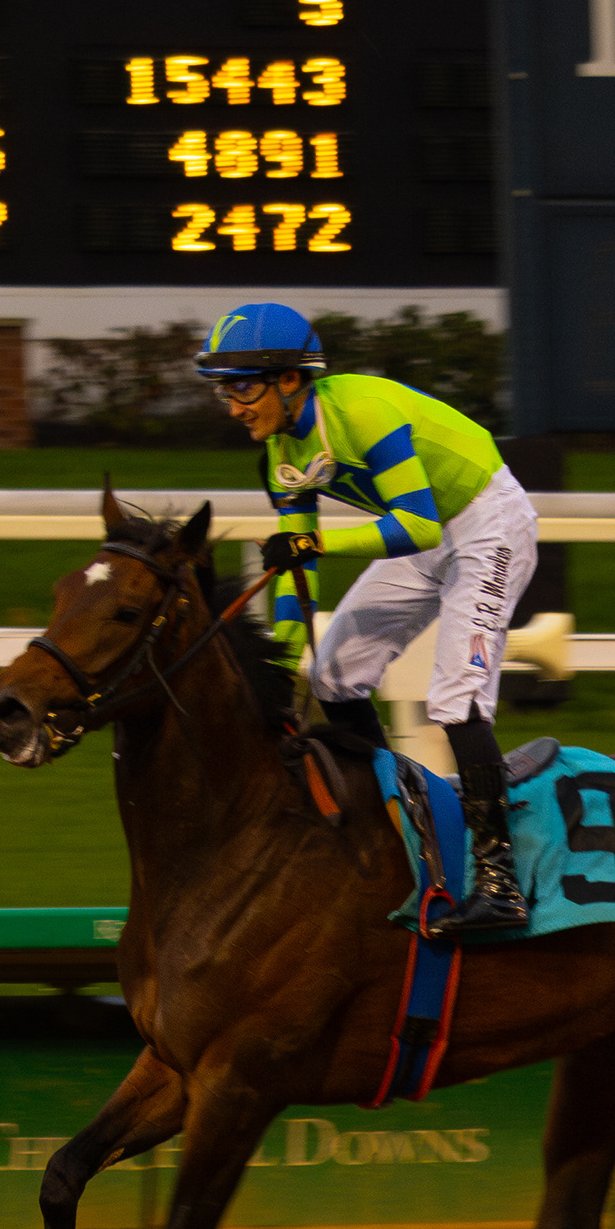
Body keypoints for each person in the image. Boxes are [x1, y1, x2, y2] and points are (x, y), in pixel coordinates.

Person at [193, 300, 535, 934]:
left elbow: (415, 523)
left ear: (289, 379)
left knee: (454, 699)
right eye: (224, 389)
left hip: (488, 524)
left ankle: (500, 880)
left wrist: (317, 544)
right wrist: (284, 682)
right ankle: (396, 827)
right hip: (431, 537)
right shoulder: (279, 455)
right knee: (332, 675)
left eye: (242, 385)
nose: (233, 404)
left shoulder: (363, 413)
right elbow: (297, 580)